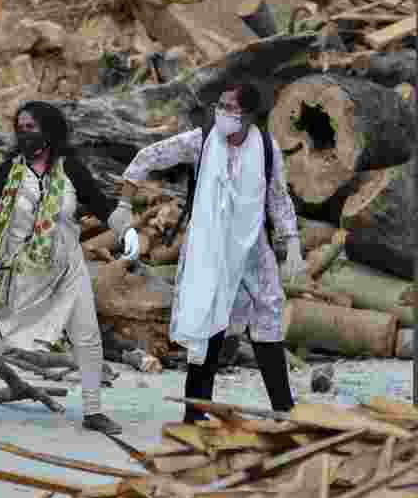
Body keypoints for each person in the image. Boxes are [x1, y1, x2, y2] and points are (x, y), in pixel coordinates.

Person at [0, 101, 139, 434]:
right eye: (20, 128)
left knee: (87, 337)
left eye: (31, 128)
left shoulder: (71, 170)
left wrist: (127, 230)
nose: (24, 135)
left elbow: (103, 205)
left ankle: (93, 412)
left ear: (49, 131)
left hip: (67, 268)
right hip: (23, 271)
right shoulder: (11, 171)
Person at [115, 82, 307, 423]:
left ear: (248, 115)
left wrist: (291, 240)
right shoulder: (201, 140)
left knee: (268, 317)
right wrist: (123, 202)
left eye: (229, 108)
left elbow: (277, 195)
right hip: (209, 247)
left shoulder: (265, 146)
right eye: (219, 106)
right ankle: (196, 411)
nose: (221, 113)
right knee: (208, 322)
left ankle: (283, 407)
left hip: (252, 246)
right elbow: (149, 157)